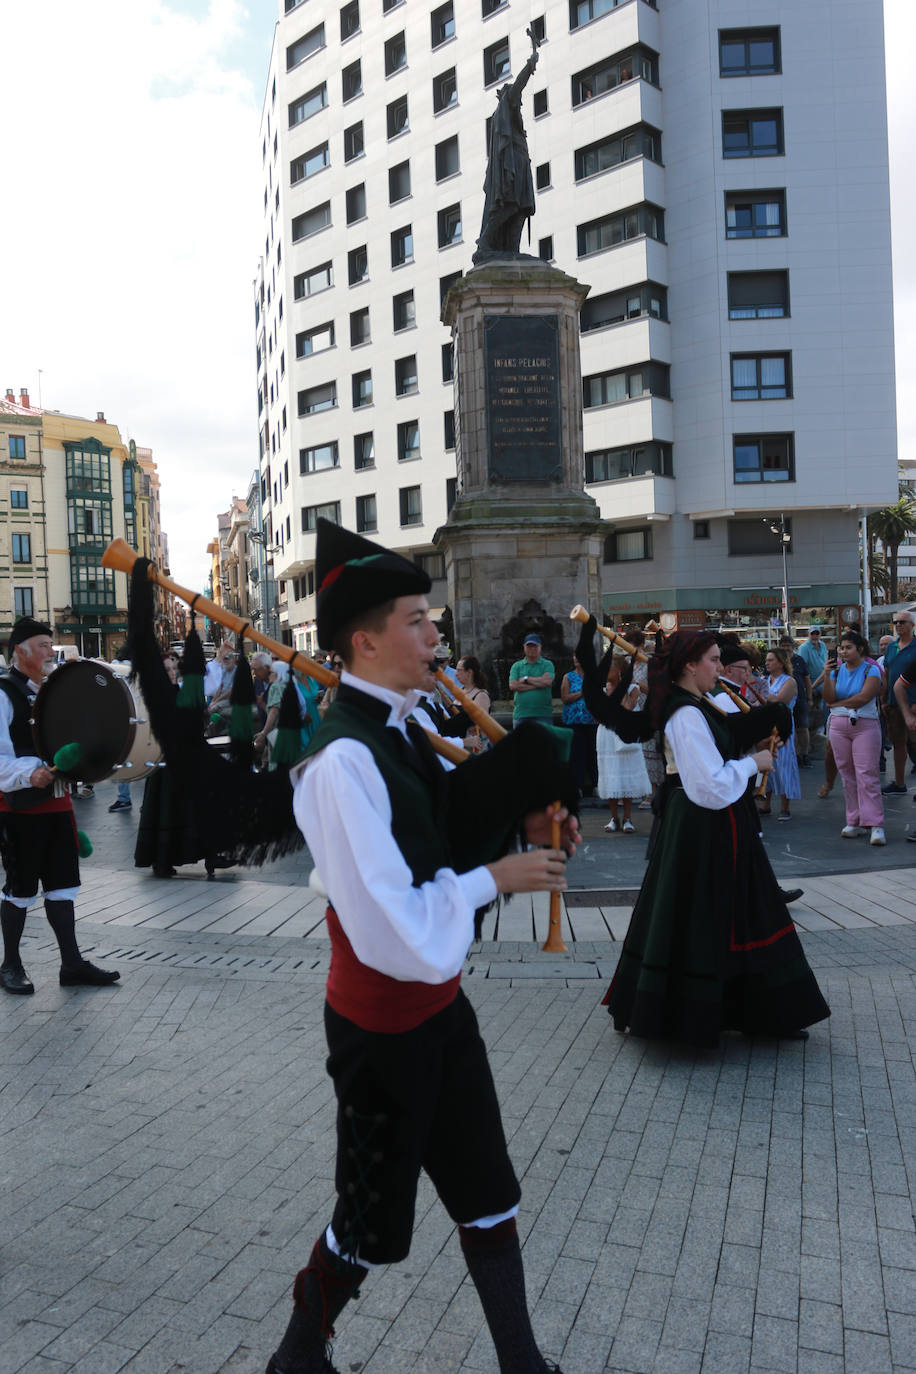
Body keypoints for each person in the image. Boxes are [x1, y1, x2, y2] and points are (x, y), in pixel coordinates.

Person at [265, 517, 577, 1374]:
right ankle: (297, 1354)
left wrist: (526, 817)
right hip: (380, 1032)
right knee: (369, 1219)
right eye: (415, 619)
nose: (434, 633)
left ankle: (524, 1364)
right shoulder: (339, 764)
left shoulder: (402, 728)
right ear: (364, 643)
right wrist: (498, 880)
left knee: (486, 1186)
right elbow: (393, 927)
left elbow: (440, 832)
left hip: (440, 1012)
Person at [585, 627, 829, 1048]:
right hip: (701, 828)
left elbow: (728, 735)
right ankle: (693, 1014)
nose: (720, 667)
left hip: (719, 827)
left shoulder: (699, 704)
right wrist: (754, 764)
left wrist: (764, 722)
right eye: (714, 660)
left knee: (743, 913)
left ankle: (760, 1010)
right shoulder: (684, 714)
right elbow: (708, 787)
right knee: (704, 919)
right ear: (689, 666)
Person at [0, 618, 120, 994]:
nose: (50, 652)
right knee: (20, 888)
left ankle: (71, 964)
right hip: (18, 807)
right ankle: (10, 965)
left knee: (62, 885)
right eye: (42, 645)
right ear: (19, 651)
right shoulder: (4, 694)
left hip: (57, 803)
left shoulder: (53, 692)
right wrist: (28, 773)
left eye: (50, 646)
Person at [823, 631, 885, 845]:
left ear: (860, 649)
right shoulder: (836, 671)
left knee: (867, 773)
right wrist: (826, 673)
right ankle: (854, 821)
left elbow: (864, 697)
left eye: (848, 647)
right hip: (839, 726)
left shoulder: (872, 670)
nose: (843, 651)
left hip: (864, 724)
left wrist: (838, 704)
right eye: (841, 647)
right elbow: (828, 697)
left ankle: (875, 824)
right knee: (847, 775)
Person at [596, 654, 650, 833]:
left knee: (626, 773)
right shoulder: (602, 689)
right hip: (607, 734)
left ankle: (627, 818)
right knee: (610, 773)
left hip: (626, 732)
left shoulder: (632, 688)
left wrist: (622, 686)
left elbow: (627, 707)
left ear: (618, 671)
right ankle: (613, 817)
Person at [760, 648, 801, 820]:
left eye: (771, 660)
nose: (767, 663)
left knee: (783, 764)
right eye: (766, 660)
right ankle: (765, 804)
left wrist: (757, 691)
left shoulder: (789, 681)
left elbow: (779, 701)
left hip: (782, 725)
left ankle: (785, 807)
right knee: (764, 765)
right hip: (764, 726)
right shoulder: (763, 680)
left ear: (781, 662)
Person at [882, 609, 916, 794]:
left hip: (913, 704)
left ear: (912, 625)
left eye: (903, 622)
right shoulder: (891, 647)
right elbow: (887, 674)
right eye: (897, 622)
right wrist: (884, 698)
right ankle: (900, 783)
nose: (899, 625)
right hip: (894, 704)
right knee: (898, 743)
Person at [560, 654, 597, 794]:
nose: (576, 658)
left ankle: (596, 784)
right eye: (575, 656)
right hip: (574, 720)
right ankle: (578, 786)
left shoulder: (593, 676)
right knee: (577, 754)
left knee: (593, 753)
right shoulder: (568, 677)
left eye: (579, 656)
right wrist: (583, 692)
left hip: (591, 720)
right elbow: (565, 698)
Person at [779, 634, 813, 766]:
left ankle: (805, 755)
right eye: (784, 646)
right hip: (783, 700)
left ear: (793, 647)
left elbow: (807, 680)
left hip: (800, 699)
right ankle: (794, 755)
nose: (786, 648)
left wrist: (809, 697)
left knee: (803, 728)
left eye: (788, 645)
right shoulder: (777, 660)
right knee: (788, 729)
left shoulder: (800, 660)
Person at [509, 633, 555, 728]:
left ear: (540, 647)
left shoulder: (547, 664)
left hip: (543, 714)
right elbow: (513, 686)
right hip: (521, 714)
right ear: (524, 647)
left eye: (535, 646)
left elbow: (547, 682)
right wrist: (539, 684)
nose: (532, 649)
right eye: (529, 646)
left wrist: (526, 679)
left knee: (544, 743)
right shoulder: (516, 666)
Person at [456, 655, 493, 753]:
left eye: (459, 670)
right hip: (461, 744)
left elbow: (481, 724)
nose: (456, 674)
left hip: (476, 746)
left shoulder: (480, 695)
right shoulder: (460, 691)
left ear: (469, 672)